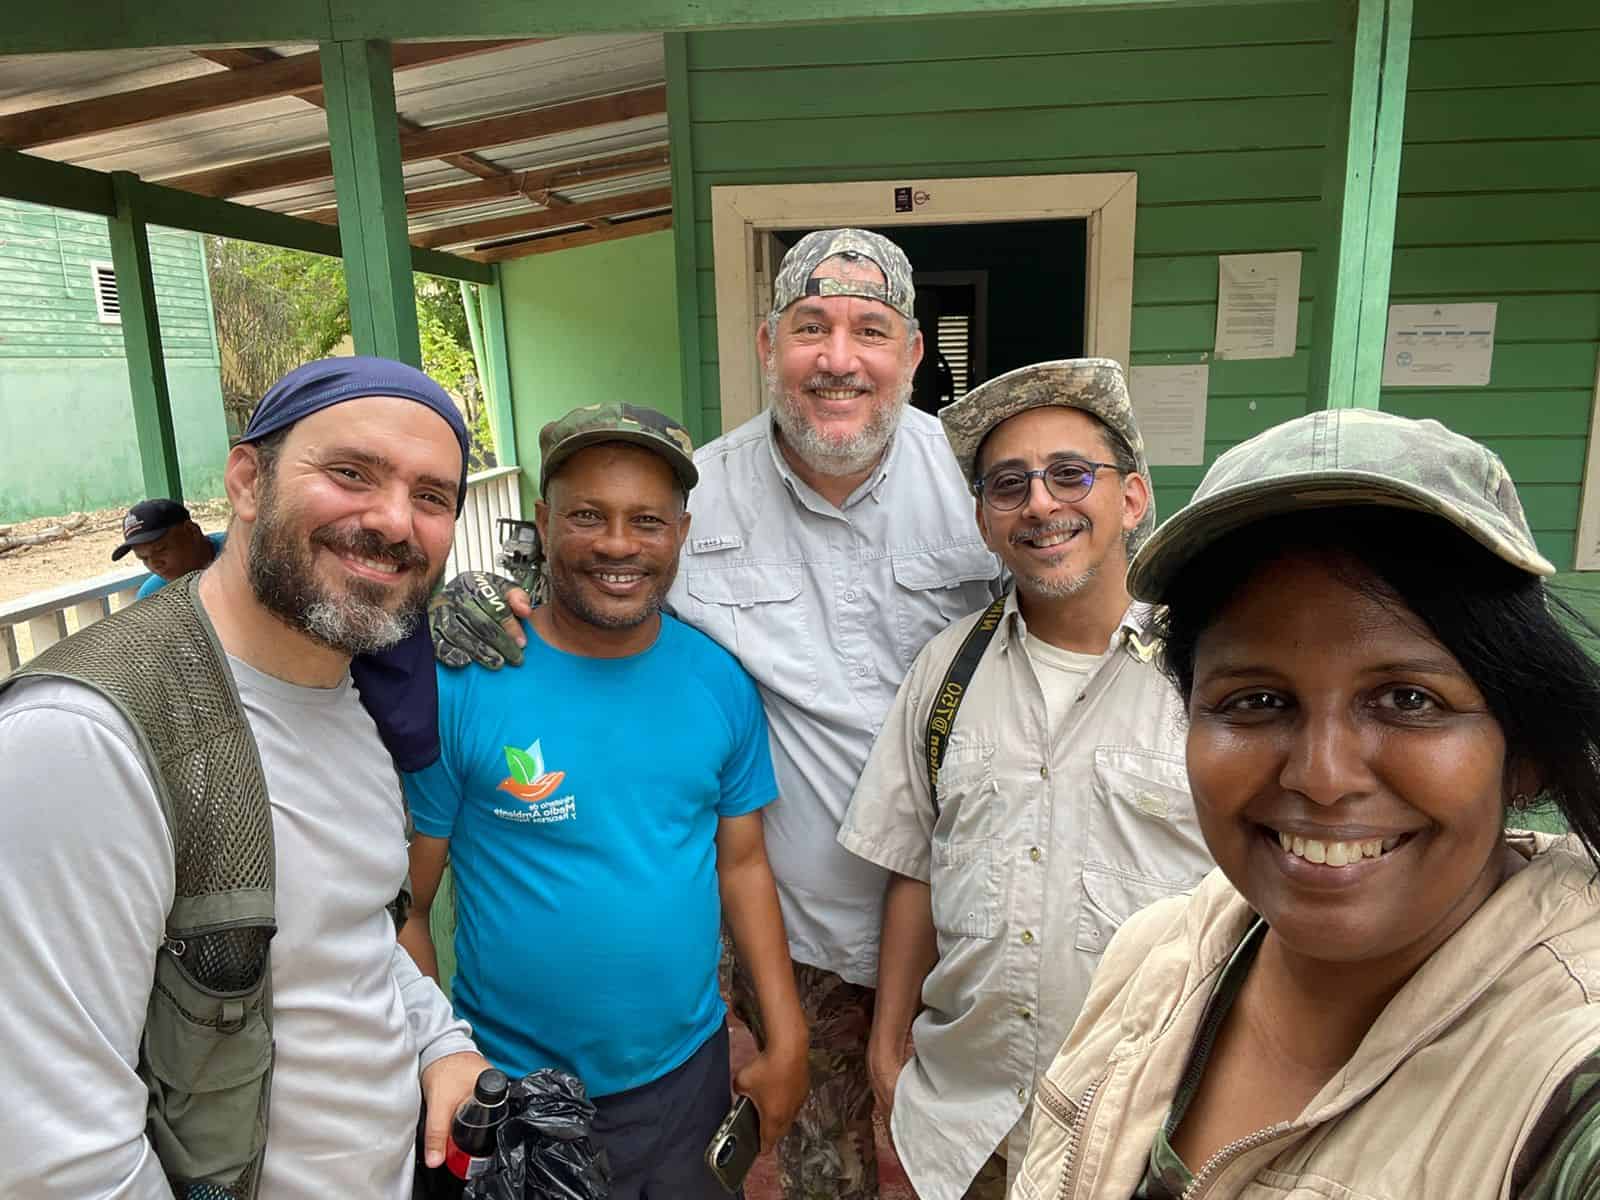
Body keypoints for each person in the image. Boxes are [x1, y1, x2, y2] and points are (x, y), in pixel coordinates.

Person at [429, 228, 1002, 1199]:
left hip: (964, 925)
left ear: (911, 353)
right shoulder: (704, 495)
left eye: (870, 330)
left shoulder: (984, 491)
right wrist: (475, 596)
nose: (838, 357)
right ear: (769, 343)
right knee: (826, 1176)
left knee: (995, 1164)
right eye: (811, 327)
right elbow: (595, 569)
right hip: (804, 934)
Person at [1014, 408, 1600, 1200]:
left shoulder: (1567, 1085)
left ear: (1523, 749)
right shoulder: (1154, 961)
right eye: (1256, 699)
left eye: (1407, 698)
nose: (1323, 777)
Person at [0, 356, 492, 1198]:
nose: (393, 521)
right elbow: (59, 1161)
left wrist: (443, 1046)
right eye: (350, 473)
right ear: (247, 480)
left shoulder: (350, 686)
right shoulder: (85, 740)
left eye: (432, 496)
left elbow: (351, 943)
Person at [400, 403, 811, 1200]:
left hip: (683, 1083)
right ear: (546, 524)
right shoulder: (469, 682)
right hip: (509, 1085)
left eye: (646, 521)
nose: (618, 544)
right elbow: (409, 903)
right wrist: (434, 1055)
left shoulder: (718, 684)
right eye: (589, 516)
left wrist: (786, 1032)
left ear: (681, 534)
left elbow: (745, 864)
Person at [836, 359, 1214, 1200]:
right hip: (970, 1132)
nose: (1041, 503)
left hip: (1147, 1131)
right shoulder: (947, 673)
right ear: (983, 519)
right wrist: (888, 1046)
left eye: (1071, 474)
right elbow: (913, 863)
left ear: (1132, 498)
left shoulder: (1210, 675)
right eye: (1010, 484)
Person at [109, 496, 225, 597]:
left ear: (192, 531)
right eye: (144, 558)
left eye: (161, 549)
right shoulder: (153, 594)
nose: (154, 564)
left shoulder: (238, 553)